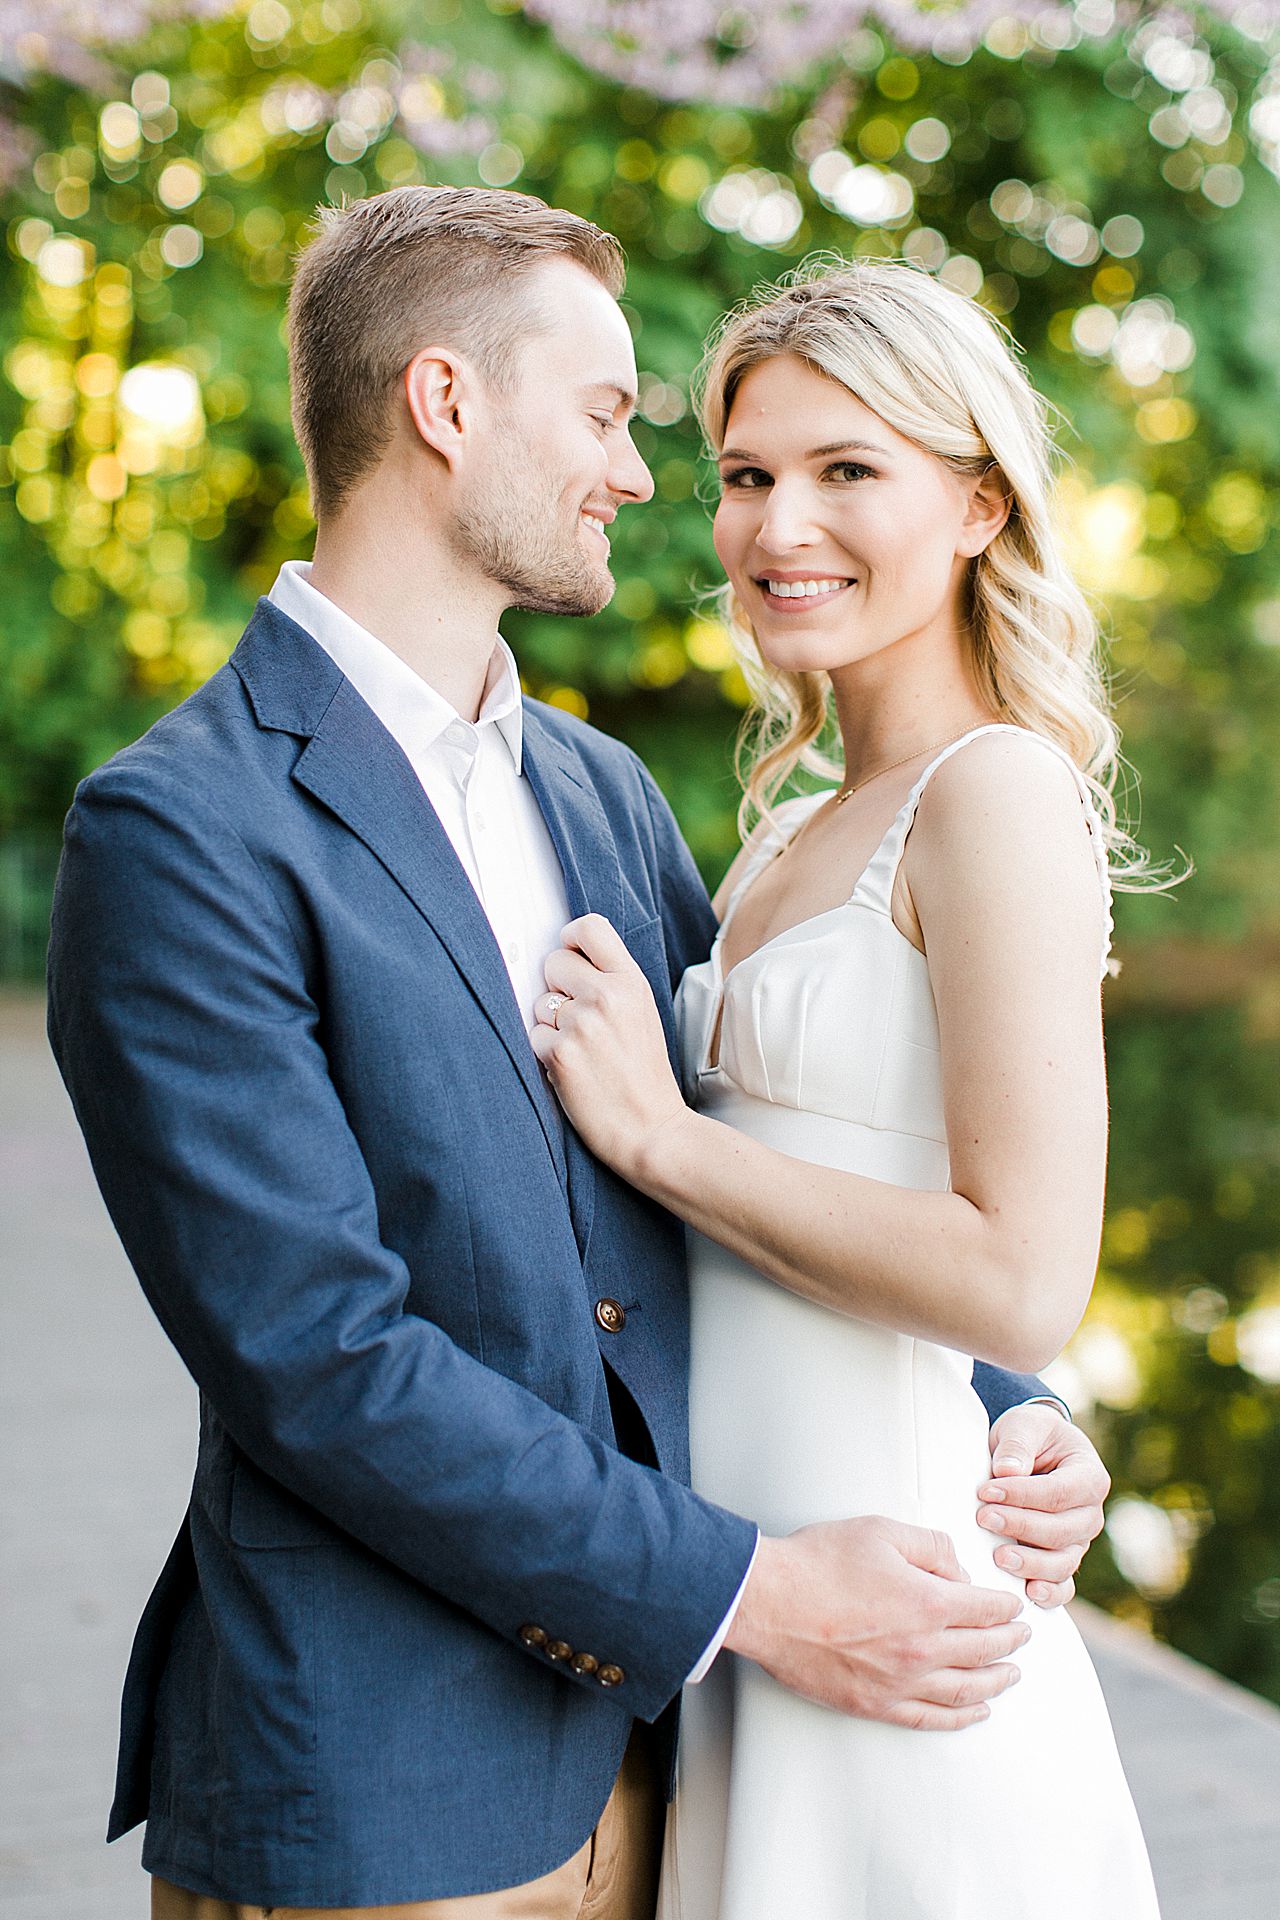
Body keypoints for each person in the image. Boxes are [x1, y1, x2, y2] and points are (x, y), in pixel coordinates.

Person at [47, 190, 1110, 1920]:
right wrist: (758, 1595)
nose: (645, 477)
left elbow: (751, 1168)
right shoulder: (182, 830)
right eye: (613, 418)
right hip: (392, 1782)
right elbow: (319, 1359)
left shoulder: (598, 789)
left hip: (699, 1761)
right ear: (448, 406)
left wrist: (1008, 1409)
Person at [531, 260, 1162, 1917]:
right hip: (764, 1623)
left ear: (973, 502)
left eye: (846, 470)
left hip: (911, 1640)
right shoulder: (793, 827)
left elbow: (1023, 1280)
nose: (776, 524)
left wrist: (662, 1140)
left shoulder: (996, 796)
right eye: (748, 476)